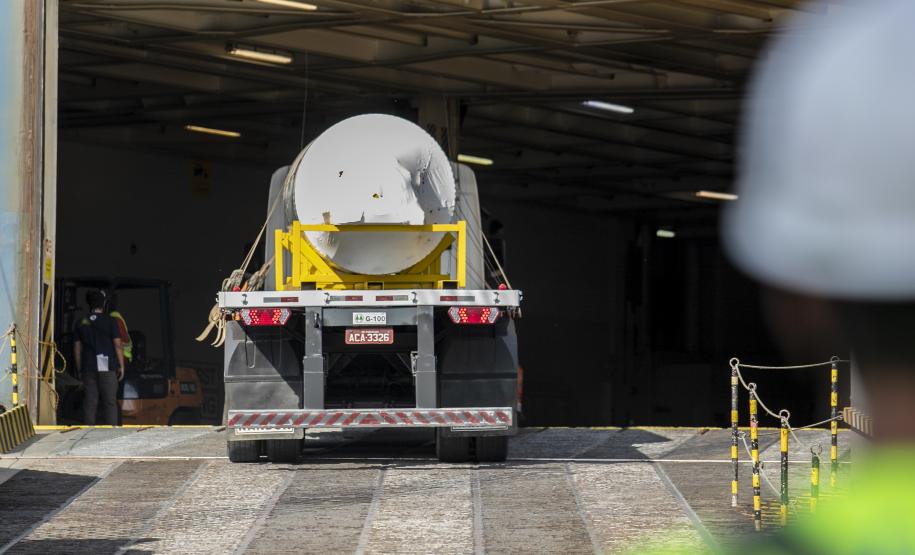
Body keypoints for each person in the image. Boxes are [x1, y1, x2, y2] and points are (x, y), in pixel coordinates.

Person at [74, 289, 125, 425]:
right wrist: (121, 365)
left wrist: (80, 369)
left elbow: (77, 348)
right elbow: (118, 345)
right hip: (107, 366)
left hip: (88, 367)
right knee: (109, 402)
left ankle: (88, 432)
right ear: (103, 304)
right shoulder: (111, 321)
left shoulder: (81, 322)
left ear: (89, 304)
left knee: (90, 401)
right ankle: (111, 432)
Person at [107, 293, 133, 364]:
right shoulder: (110, 317)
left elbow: (119, 342)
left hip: (121, 357)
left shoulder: (114, 318)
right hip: (118, 357)